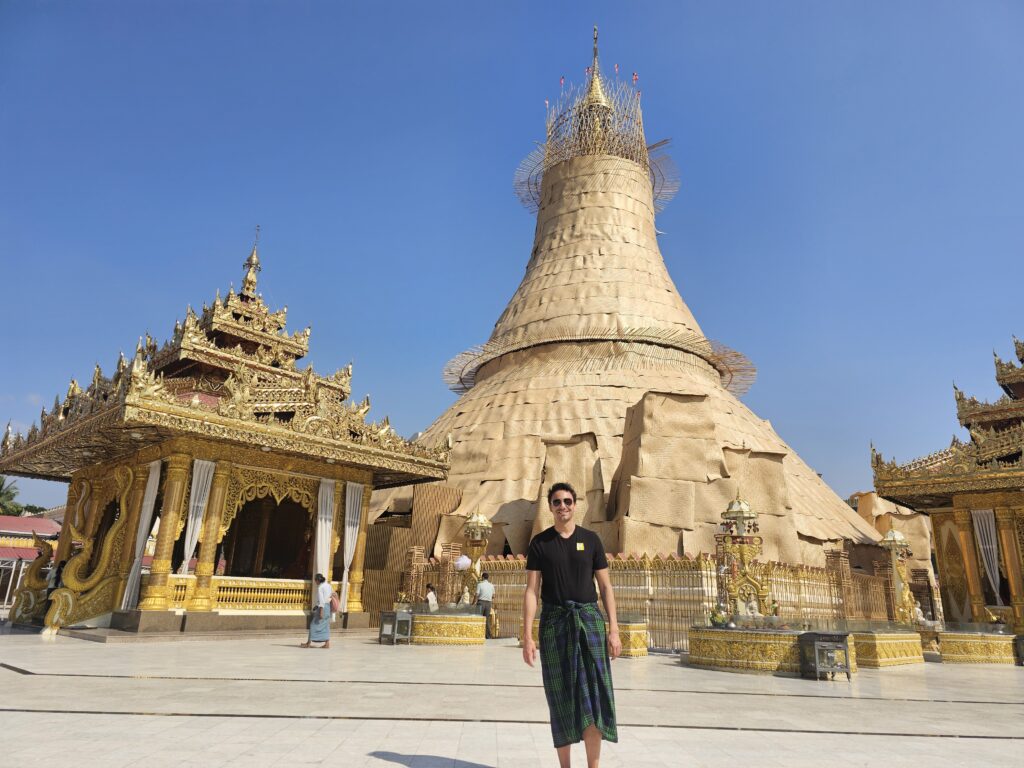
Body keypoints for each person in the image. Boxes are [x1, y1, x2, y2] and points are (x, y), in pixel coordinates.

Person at [523, 482, 620, 768]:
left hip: (589, 621)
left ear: (575, 504)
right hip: (555, 623)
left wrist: (613, 629)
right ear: (550, 507)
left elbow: (605, 587)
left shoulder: (591, 540)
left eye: (567, 501)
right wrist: (527, 636)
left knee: (594, 695)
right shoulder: (540, 543)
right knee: (560, 695)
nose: (562, 506)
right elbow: (532, 591)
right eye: (556, 502)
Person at [301, 573, 331, 649]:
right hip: (328, 607)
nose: (315, 582)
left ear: (317, 580)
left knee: (313, 625)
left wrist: (320, 611)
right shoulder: (328, 585)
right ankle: (327, 643)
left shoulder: (320, 587)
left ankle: (308, 643)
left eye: (315, 580)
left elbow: (322, 600)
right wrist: (317, 606)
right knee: (326, 625)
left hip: (322, 608)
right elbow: (330, 596)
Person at [475, 572, 495, 639]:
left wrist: (473, 603)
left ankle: (478, 634)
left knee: (479, 618)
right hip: (488, 603)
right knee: (486, 620)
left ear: (482, 577)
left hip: (481, 603)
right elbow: (493, 596)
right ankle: (488, 636)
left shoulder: (480, 584)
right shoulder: (491, 585)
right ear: (488, 578)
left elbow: (477, 595)